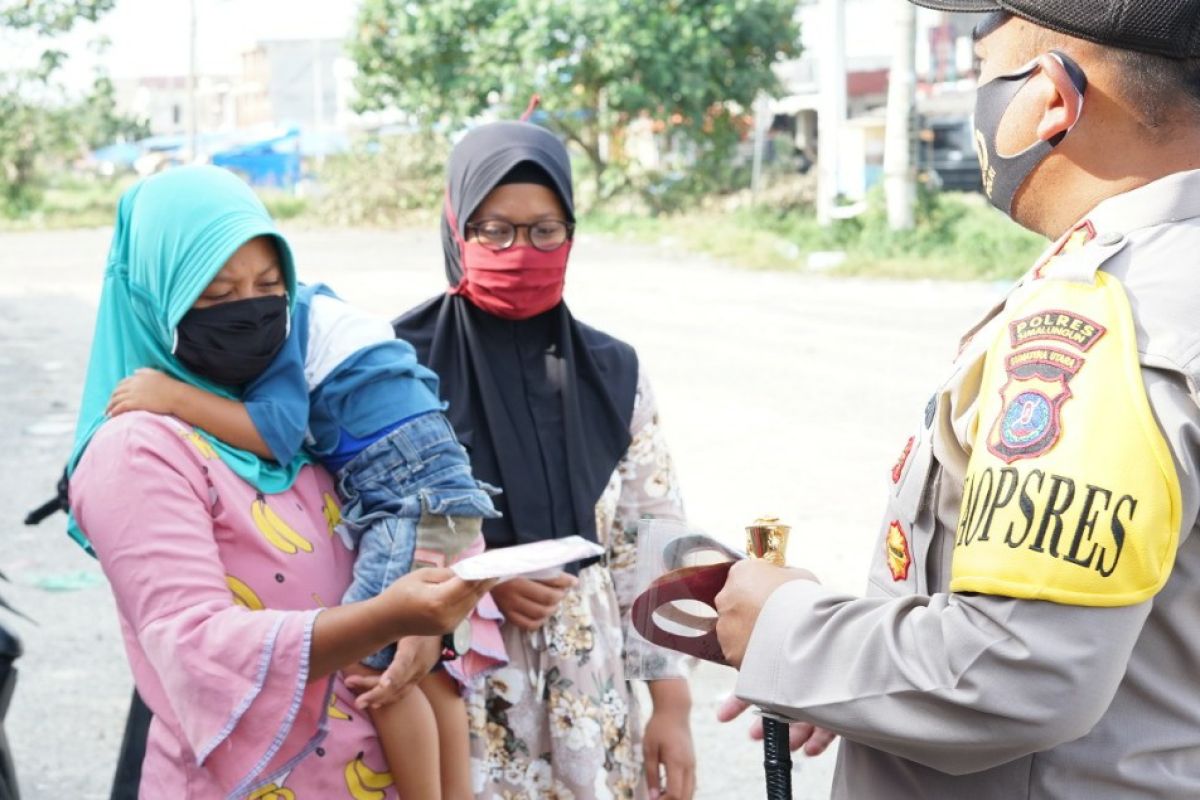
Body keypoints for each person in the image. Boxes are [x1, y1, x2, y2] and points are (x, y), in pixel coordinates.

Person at [714, 3, 1200, 798]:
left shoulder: (1108, 320)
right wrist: (857, 669)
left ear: (1051, 98)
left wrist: (786, 630)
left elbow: (1012, 672)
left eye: (983, 78)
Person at [67, 164, 494, 799]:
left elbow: (416, 520)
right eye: (215, 296)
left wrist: (427, 625)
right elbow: (193, 645)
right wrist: (380, 619)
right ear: (154, 296)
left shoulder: (305, 407)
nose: (252, 311)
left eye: (269, 285)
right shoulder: (139, 448)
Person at [394, 121, 697, 800]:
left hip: (590, 691)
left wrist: (669, 704)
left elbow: (648, 536)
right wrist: (475, 582)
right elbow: (371, 528)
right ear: (455, 228)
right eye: (494, 230)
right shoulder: (401, 365)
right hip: (460, 684)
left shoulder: (611, 372)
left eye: (544, 230)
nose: (519, 250)